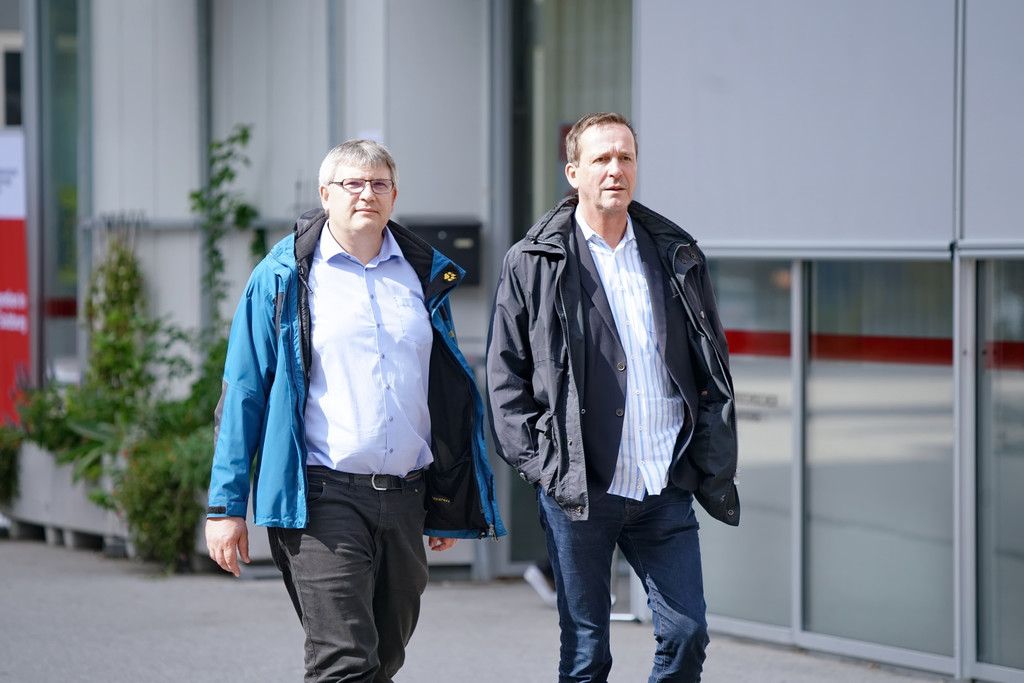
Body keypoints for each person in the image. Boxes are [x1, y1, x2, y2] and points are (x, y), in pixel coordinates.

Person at [205, 139, 506, 683]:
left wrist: (445, 496)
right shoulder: (284, 276)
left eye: (379, 184)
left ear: (394, 196)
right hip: (322, 497)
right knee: (343, 661)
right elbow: (244, 392)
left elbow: (440, 392)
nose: (367, 194)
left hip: (407, 497)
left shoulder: (420, 274)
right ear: (325, 194)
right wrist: (225, 508)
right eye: (353, 184)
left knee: (384, 659)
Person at [487, 112, 739, 682]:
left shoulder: (673, 253)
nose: (615, 170)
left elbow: (710, 362)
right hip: (580, 488)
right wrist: (546, 466)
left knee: (686, 634)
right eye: (601, 158)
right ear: (573, 172)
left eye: (625, 157)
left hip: (663, 482)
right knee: (586, 653)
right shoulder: (534, 260)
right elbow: (505, 379)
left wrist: (706, 452)